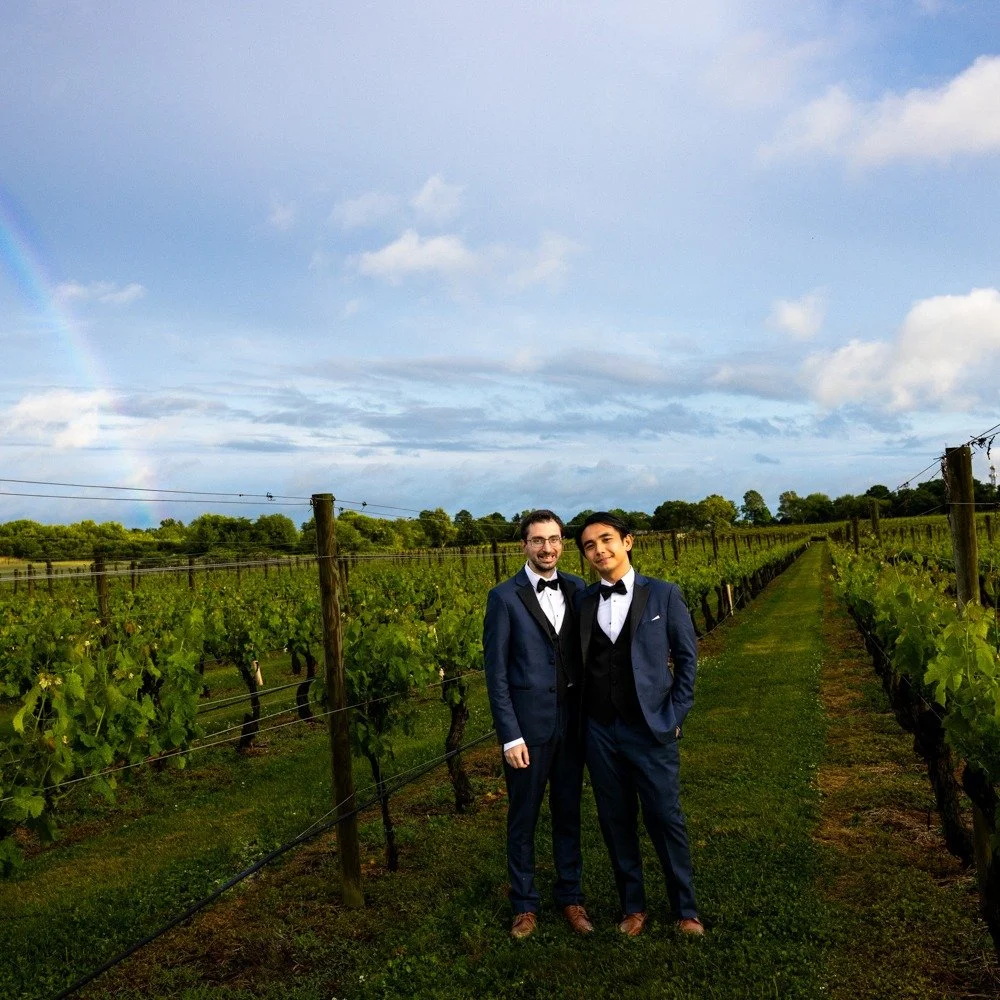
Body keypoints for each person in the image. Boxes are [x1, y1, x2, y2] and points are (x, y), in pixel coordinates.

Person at [574, 511, 704, 937]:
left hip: (650, 729)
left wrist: (674, 714)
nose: (599, 550)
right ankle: (633, 906)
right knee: (615, 819)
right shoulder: (584, 600)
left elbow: (687, 660)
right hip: (599, 731)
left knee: (664, 817)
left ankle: (685, 910)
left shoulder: (664, 594)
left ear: (627, 542)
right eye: (589, 545)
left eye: (606, 540)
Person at [483, 509, 592, 939]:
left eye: (555, 539)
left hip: (573, 728)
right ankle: (524, 906)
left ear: (562, 543)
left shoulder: (579, 588)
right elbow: (497, 675)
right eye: (537, 540)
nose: (547, 547)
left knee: (568, 814)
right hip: (527, 733)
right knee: (523, 818)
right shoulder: (503, 597)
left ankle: (571, 897)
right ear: (524, 545)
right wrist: (510, 735)